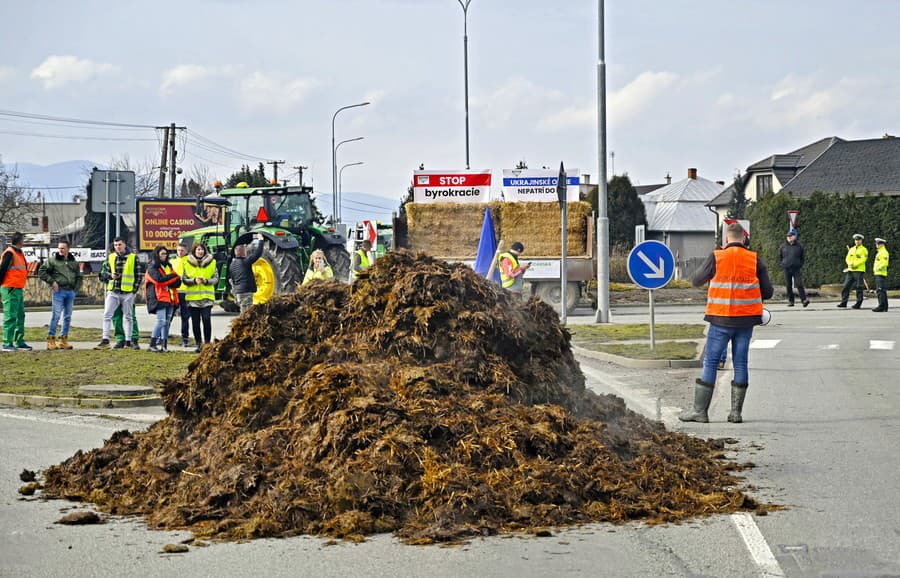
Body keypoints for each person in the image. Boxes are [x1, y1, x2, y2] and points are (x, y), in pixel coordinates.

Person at [680, 222, 773, 424]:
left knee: (711, 362)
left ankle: (700, 412)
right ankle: (736, 413)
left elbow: (696, 280)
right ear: (744, 238)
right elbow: (768, 292)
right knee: (740, 362)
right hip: (746, 321)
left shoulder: (717, 256)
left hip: (720, 318)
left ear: (727, 239)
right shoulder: (754, 260)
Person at [96, 237, 142, 350]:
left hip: (127, 292)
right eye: (116, 245)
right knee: (108, 315)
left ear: (125, 245)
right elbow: (102, 275)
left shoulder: (133, 258)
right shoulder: (111, 258)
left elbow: (138, 275)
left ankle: (130, 340)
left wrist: (133, 291)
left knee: (129, 317)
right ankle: (106, 339)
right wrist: (110, 276)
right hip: (114, 291)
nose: (118, 247)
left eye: (120, 244)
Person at [38, 240, 83, 350]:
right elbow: (41, 271)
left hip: (70, 292)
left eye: (63, 248)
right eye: (59, 248)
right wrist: (52, 282)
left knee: (67, 316)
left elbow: (79, 276)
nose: (60, 250)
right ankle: (51, 339)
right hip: (59, 292)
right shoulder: (53, 261)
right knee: (56, 315)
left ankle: (63, 340)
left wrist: (75, 290)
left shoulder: (74, 262)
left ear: (68, 249)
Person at [144, 245, 181, 352]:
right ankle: (152, 344)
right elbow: (159, 280)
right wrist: (174, 277)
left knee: (167, 322)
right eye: (162, 254)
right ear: (157, 255)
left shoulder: (169, 266)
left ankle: (164, 346)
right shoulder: (152, 267)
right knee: (161, 321)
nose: (164, 256)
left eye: (165, 254)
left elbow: (178, 282)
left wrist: (170, 281)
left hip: (171, 297)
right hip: (159, 297)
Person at [182, 242, 217, 352]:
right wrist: (193, 281)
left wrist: (206, 281)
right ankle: (198, 344)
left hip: (207, 297)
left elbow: (216, 279)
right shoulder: (187, 263)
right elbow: (184, 279)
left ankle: (207, 343)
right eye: (198, 250)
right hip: (193, 299)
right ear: (194, 251)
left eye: (202, 249)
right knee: (195, 322)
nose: (200, 251)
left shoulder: (212, 262)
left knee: (206, 320)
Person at [0, 232, 31, 352]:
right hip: (10, 288)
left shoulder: (19, 253)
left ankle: (19, 341)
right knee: (10, 316)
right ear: (19, 241)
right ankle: (7, 342)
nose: (24, 242)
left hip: (17, 288)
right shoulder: (9, 253)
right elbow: (2, 271)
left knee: (20, 316)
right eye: (23, 240)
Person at [228, 234, 265, 312]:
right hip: (246, 292)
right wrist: (261, 241)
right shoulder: (245, 262)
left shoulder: (232, 265)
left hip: (238, 292)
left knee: (243, 312)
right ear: (244, 253)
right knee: (247, 314)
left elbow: (232, 280)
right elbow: (257, 254)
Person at [780, 228, 809, 307]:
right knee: (788, 285)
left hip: (796, 268)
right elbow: (781, 256)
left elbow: (802, 257)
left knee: (799, 284)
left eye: (791, 236)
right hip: (786, 268)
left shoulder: (799, 246)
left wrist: (799, 264)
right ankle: (791, 301)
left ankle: (804, 300)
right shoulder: (783, 246)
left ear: (795, 237)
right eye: (788, 236)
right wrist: (783, 264)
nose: (789, 237)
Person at [838, 233, 868, 309]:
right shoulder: (851, 249)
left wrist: (855, 264)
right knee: (846, 286)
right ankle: (844, 302)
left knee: (859, 287)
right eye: (856, 240)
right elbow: (847, 258)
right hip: (850, 271)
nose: (857, 241)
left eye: (858, 240)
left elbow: (863, 259)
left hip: (859, 270)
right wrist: (850, 264)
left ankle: (858, 303)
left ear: (861, 241)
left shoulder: (864, 250)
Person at [170, 241, 191, 346]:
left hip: (186, 292)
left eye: (182, 250)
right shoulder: (172, 262)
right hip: (174, 292)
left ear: (186, 251)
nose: (180, 252)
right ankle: (162, 337)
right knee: (169, 315)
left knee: (185, 316)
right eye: (178, 250)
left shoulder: (190, 261)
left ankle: (185, 338)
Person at [872, 237, 890, 312]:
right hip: (879, 273)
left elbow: (884, 263)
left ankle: (881, 306)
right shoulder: (880, 252)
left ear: (881, 244)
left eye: (878, 244)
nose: (876, 245)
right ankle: (884, 306)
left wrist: (877, 269)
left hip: (880, 273)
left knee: (880, 290)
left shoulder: (883, 252)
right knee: (882, 290)